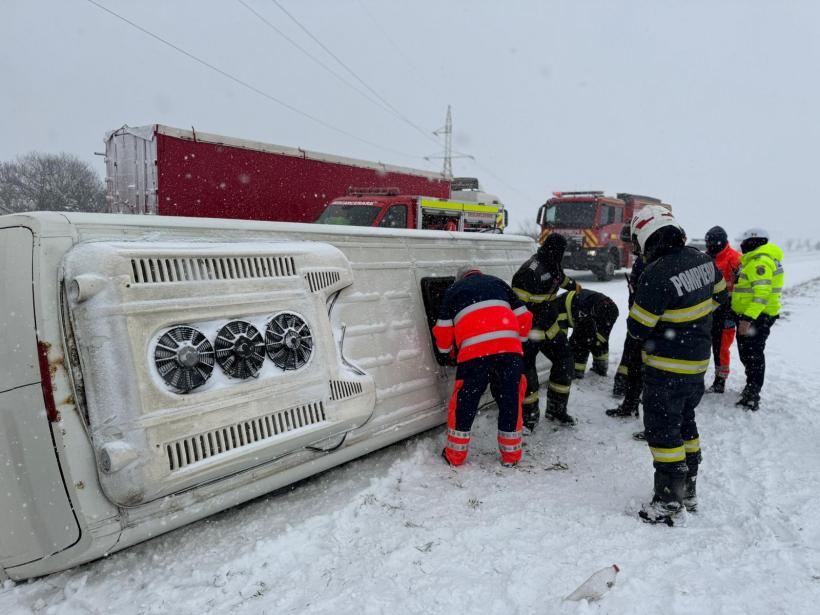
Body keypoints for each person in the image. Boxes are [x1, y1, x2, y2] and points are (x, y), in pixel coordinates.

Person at [625, 205, 728, 525]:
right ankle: (689, 489)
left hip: (665, 368)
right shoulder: (703, 260)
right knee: (686, 424)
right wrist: (691, 318)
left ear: (646, 236)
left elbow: (637, 329)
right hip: (696, 365)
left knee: (662, 431)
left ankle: (669, 499)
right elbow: (721, 298)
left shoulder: (656, 273)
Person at [432, 265, 532, 467]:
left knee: (465, 405)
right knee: (510, 401)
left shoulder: (454, 291)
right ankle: (511, 456)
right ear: (479, 273)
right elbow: (524, 317)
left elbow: (442, 331)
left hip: (474, 355)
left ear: (460, 278)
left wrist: (445, 353)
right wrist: (515, 340)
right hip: (509, 353)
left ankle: (455, 456)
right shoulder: (498, 283)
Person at [512, 233, 580, 430]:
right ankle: (529, 418)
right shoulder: (529, 271)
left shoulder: (553, 263)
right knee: (528, 375)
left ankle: (556, 410)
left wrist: (575, 287)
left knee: (566, 363)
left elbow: (559, 278)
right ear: (552, 249)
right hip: (528, 334)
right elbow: (517, 306)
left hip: (550, 330)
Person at [731, 228, 784, 411]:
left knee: (753, 355)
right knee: (749, 354)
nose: (742, 245)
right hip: (755, 315)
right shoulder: (757, 261)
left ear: (754, 242)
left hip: (756, 317)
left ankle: (752, 395)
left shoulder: (759, 263)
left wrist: (747, 319)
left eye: (744, 242)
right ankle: (751, 387)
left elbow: (761, 295)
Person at [704, 226, 742, 393]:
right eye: (708, 242)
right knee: (704, 344)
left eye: (711, 242)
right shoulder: (705, 257)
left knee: (721, 347)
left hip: (726, 309)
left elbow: (741, 286)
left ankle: (720, 381)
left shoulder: (735, 258)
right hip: (707, 309)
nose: (709, 245)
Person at [550, 289, 620, 379]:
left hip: (594, 308)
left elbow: (560, 336)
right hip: (611, 307)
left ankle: (576, 372)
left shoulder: (555, 308)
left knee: (579, 341)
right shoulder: (559, 302)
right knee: (599, 339)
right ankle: (600, 368)